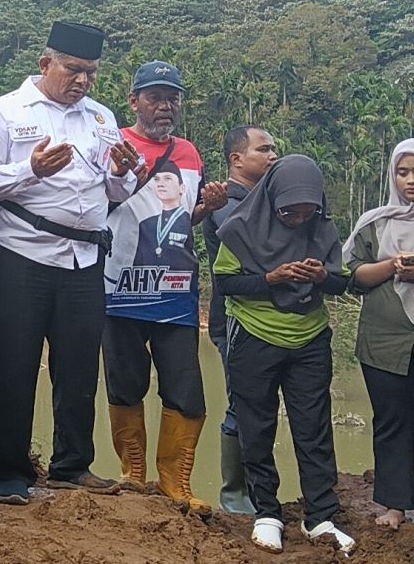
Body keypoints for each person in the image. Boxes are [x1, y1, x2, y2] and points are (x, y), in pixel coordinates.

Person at [0, 21, 143, 505]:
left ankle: (71, 466)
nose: (82, 81)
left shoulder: (102, 119)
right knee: (13, 366)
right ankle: (12, 472)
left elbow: (113, 191)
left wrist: (124, 173)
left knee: (80, 367)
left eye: (90, 72)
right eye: (73, 69)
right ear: (45, 64)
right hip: (23, 254)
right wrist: (31, 170)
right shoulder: (5, 111)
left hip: (85, 259)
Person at [102, 61, 226, 516]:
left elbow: (182, 216)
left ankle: (176, 481)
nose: (164, 105)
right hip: (119, 286)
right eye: (154, 96)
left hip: (176, 289)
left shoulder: (189, 153)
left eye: (171, 97)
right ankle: (133, 476)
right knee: (124, 383)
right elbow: (104, 200)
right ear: (134, 101)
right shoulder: (112, 142)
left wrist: (205, 208)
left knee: (186, 388)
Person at [215, 155, 355, 554]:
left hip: (310, 338)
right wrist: (271, 278)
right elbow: (226, 282)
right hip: (255, 337)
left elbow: (340, 284)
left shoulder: (324, 230)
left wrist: (321, 276)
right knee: (256, 428)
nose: (297, 220)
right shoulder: (240, 228)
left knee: (314, 427)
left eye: (306, 213)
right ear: (272, 200)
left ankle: (321, 516)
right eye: (288, 213)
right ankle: (267, 513)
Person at [201, 125, 277, 514]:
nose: (272, 156)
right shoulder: (228, 202)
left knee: (259, 401)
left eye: (274, 149)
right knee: (241, 402)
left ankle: (256, 490)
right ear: (236, 159)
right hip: (233, 318)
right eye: (263, 149)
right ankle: (235, 494)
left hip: (264, 315)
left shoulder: (263, 199)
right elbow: (252, 246)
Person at [344, 139, 414, 530]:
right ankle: (394, 505)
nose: (409, 180)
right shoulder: (375, 222)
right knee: (391, 420)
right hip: (384, 341)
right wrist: (392, 266)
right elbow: (353, 276)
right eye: (402, 172)